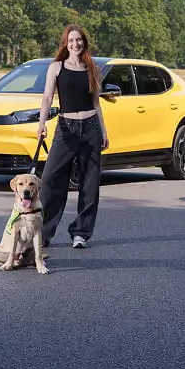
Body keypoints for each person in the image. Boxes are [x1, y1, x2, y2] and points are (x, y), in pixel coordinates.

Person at [37, 24, 109, 249]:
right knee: (50, 179)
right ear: (65, 44)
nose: (75, 44)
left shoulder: (92, 68)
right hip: (65, 127)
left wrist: (103, 130)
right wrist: (41, 124)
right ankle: (44, 233)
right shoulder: (56, 67)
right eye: (71, 41)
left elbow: (96, 102)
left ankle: (81, 233)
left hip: (90, 128)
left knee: (89, 183)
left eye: (78, 40)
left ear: (84, 43)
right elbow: (47, 97)